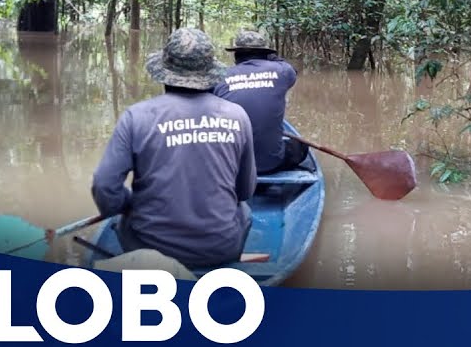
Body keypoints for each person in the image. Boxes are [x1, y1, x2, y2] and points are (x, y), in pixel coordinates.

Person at [90, 27, 257, 269]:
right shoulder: (237, 116)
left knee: (118, 220)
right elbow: (245, 191)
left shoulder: (136, 117)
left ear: (164, 72)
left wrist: (127, 205)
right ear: (210, 72)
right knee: (246, 212)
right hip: (221, 249)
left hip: (150, 249)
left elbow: (104, 186)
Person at [213, 30, 309, 174]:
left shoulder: (221, 76)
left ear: (236, 55)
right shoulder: (282, 70)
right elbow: (292, 72)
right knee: (301, 146)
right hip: (271, 163)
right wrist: (272, 59)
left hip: (231, 166)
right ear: (266, 54)